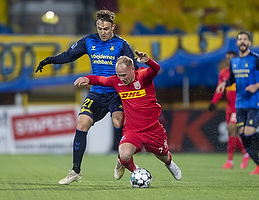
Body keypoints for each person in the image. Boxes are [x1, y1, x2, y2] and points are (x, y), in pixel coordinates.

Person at [36, 10, 138, 185]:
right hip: (96, 93)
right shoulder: (89, 41)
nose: (103, 32)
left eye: (106, 28)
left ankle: (121, 158)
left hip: (116, 94)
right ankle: (75, 171)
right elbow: (69, 55)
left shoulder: (121, 44)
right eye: (99, 28)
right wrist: (50, 60)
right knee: (82, 124)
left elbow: (134, 68)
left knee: (117, 121)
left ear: (113, 27)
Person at [74, 50, 182, 181]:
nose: (121, 78)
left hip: (153, 130)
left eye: (124, 75)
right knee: (124, 155)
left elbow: (156, 69)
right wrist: (87, 79)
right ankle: (137, 172)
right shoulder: (116, 82)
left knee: (163, 155)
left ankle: (169, 164)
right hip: (133, 131)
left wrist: (148, 61)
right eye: (119, 75)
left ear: (132, 69)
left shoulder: (143, 77)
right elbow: (100, 80)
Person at [216, 31, 259, 175]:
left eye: (245, 39)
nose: (242, 42)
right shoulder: (234, 62)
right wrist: (224, 84)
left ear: (249, 43)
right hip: (240, 105)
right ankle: (258, 164)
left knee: (249, 132)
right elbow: (232, 79)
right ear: (237, 43)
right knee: (242, 135)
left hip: (254, 103)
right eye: (240, 39)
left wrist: (256, 86)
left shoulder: (255, 59)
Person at [209, 51, 250, 169]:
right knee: (232, 132)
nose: (229, 60)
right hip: (229, 107)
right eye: (227, 58)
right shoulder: (223, 73)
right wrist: (213, 102)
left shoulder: (242, 72)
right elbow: (220, 88)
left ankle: (230, 161)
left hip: (239, 105)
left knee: (232, 129)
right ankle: (245, 153)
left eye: (232, 58)